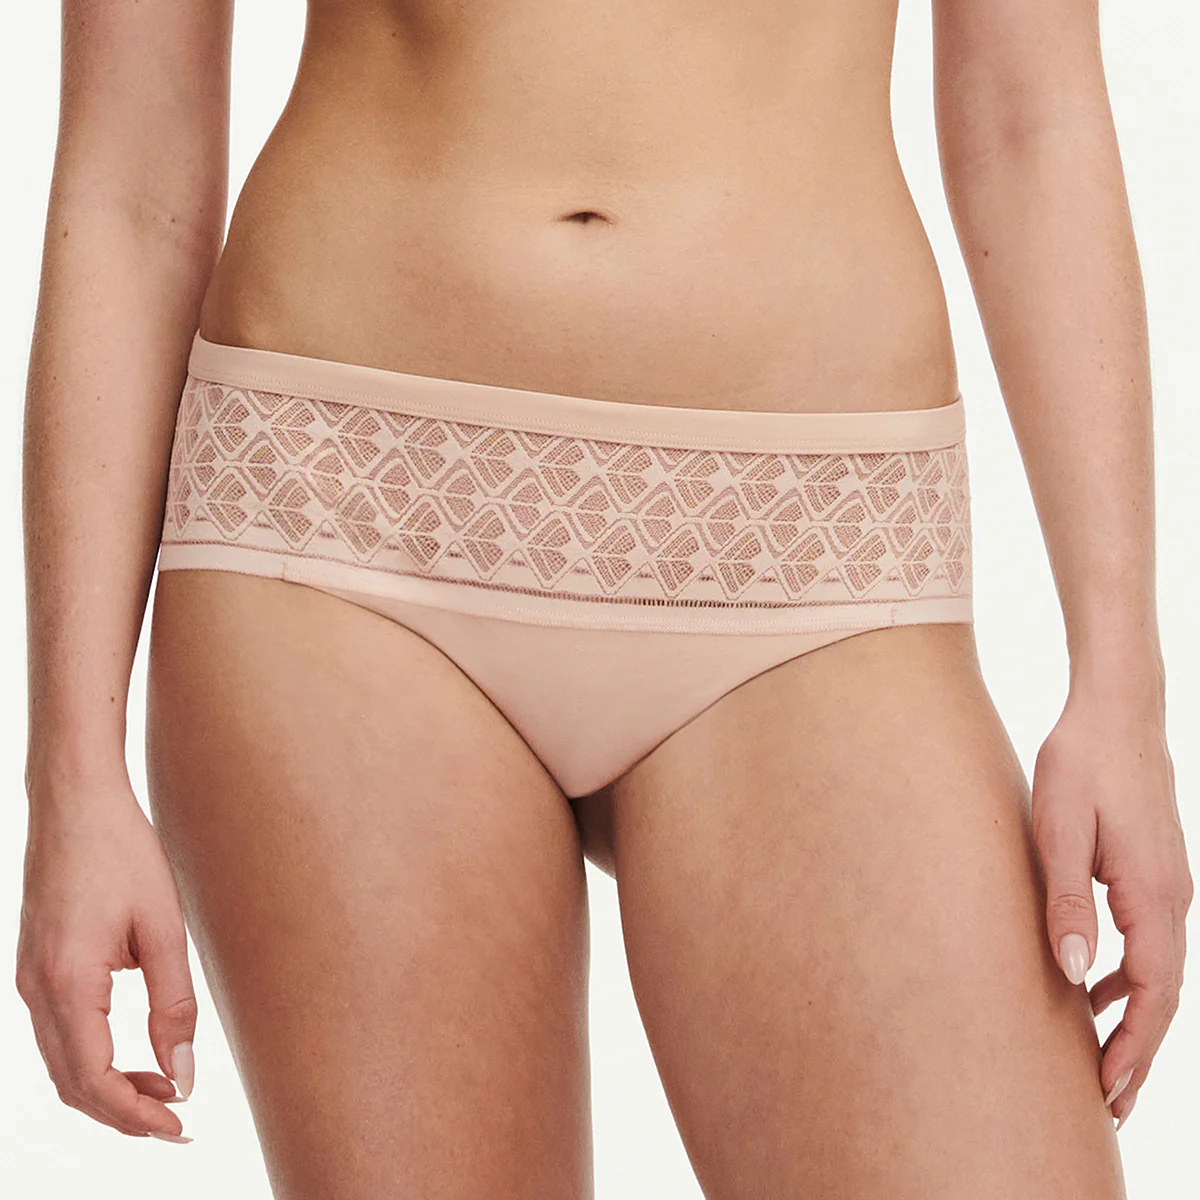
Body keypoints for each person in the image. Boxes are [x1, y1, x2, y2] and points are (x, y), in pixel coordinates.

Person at [16, 1, 1191, 1196]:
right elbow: (133, 171)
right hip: (341, 515)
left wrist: (1121, 685)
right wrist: (72, 772)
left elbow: (1027, 115)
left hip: (812, 548)